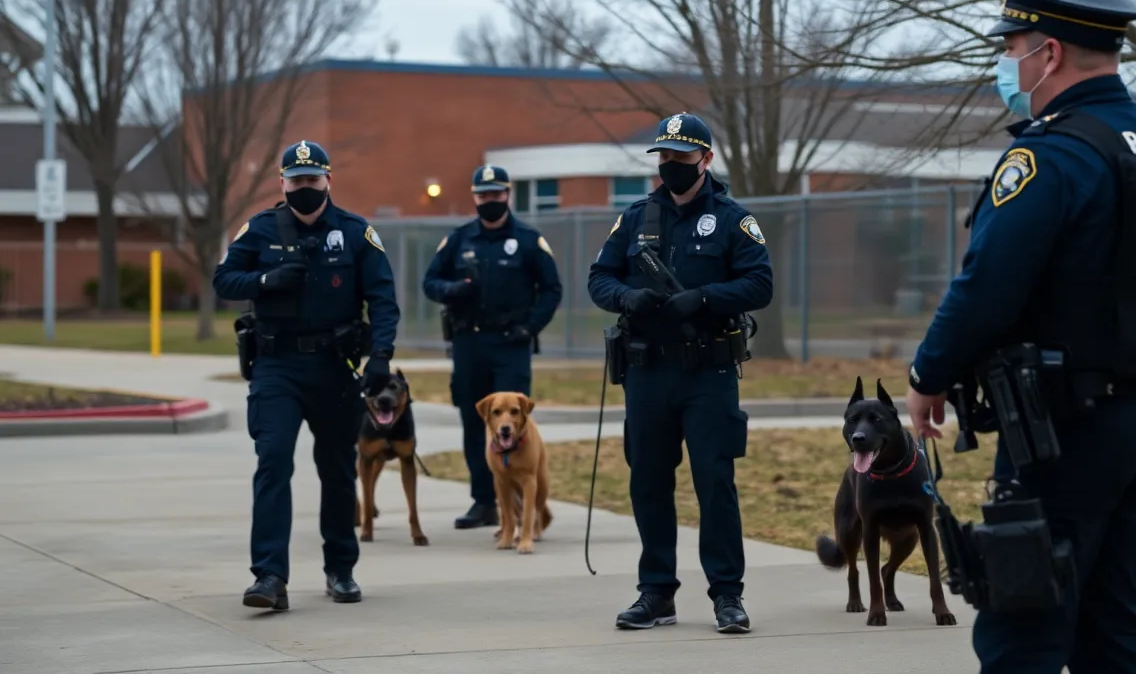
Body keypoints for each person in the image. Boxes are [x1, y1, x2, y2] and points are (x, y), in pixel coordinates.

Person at [904, 0, 1136, 673]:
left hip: (1063, 425)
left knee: (1027, 629)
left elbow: (987, 286)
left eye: (1011, 49)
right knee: (1110, 627)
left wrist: (928, 375)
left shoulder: (1051, 158)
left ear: (1047, 54)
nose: (1005, 63)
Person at [587, 113, 773, 634]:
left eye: (681, 158)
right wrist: (628, 296)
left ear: (706, 160)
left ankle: (727, 595)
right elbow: (598, 278)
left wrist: (706, 298)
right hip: (648, 372)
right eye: (664, 157)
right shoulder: (636, 217)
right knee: (648, 480)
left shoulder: (734, 219)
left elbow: (760, 284)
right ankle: (656, 592)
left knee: (714, 480)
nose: (670, 166)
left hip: (708, 371)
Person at [214, 139, 400, 611]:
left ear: (328, 181)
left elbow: (382, 299)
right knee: (273, 460)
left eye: (312, 180)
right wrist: (262, 281)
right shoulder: (259, 230)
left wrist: (380, 358)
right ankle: (269, 577)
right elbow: (223, 280)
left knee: (337, 470)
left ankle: (341, 570)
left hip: (335, 368)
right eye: (295, 181)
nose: (304, 189)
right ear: (282, 183)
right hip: (276, 366)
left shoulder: (356, 233)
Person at [422, 164, 563, 530]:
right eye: (483, 195)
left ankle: (523, 504)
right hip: (469, 342)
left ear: (507, 195)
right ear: (474, 197)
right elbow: (430, 281)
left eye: (496, 194)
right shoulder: (459, 239)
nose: (489, 201)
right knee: (475, 423)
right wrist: (452, 291)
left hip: (510, 343)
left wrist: (530, 326)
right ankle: (484, 502)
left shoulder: (529, 239)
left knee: (515, 422)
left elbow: (551, 290)